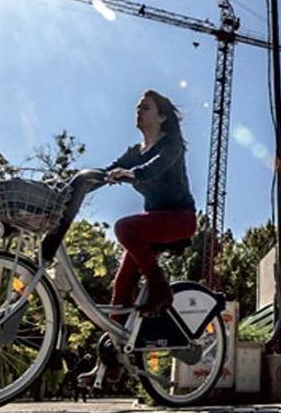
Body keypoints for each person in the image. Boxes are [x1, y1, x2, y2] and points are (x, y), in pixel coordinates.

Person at [78, 89, 197, 387]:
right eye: (137, 107)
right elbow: (104, 173)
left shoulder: (171, 145)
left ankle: (160, 288)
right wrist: (75, 187)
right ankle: (110, 361)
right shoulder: (135, 150)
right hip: (153, 226)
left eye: (145, 107)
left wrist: (131, 174)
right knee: (121, 287)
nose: (138, 111)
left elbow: (153, 168)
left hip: (179, 220)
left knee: (125, 227)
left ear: (162, 116)